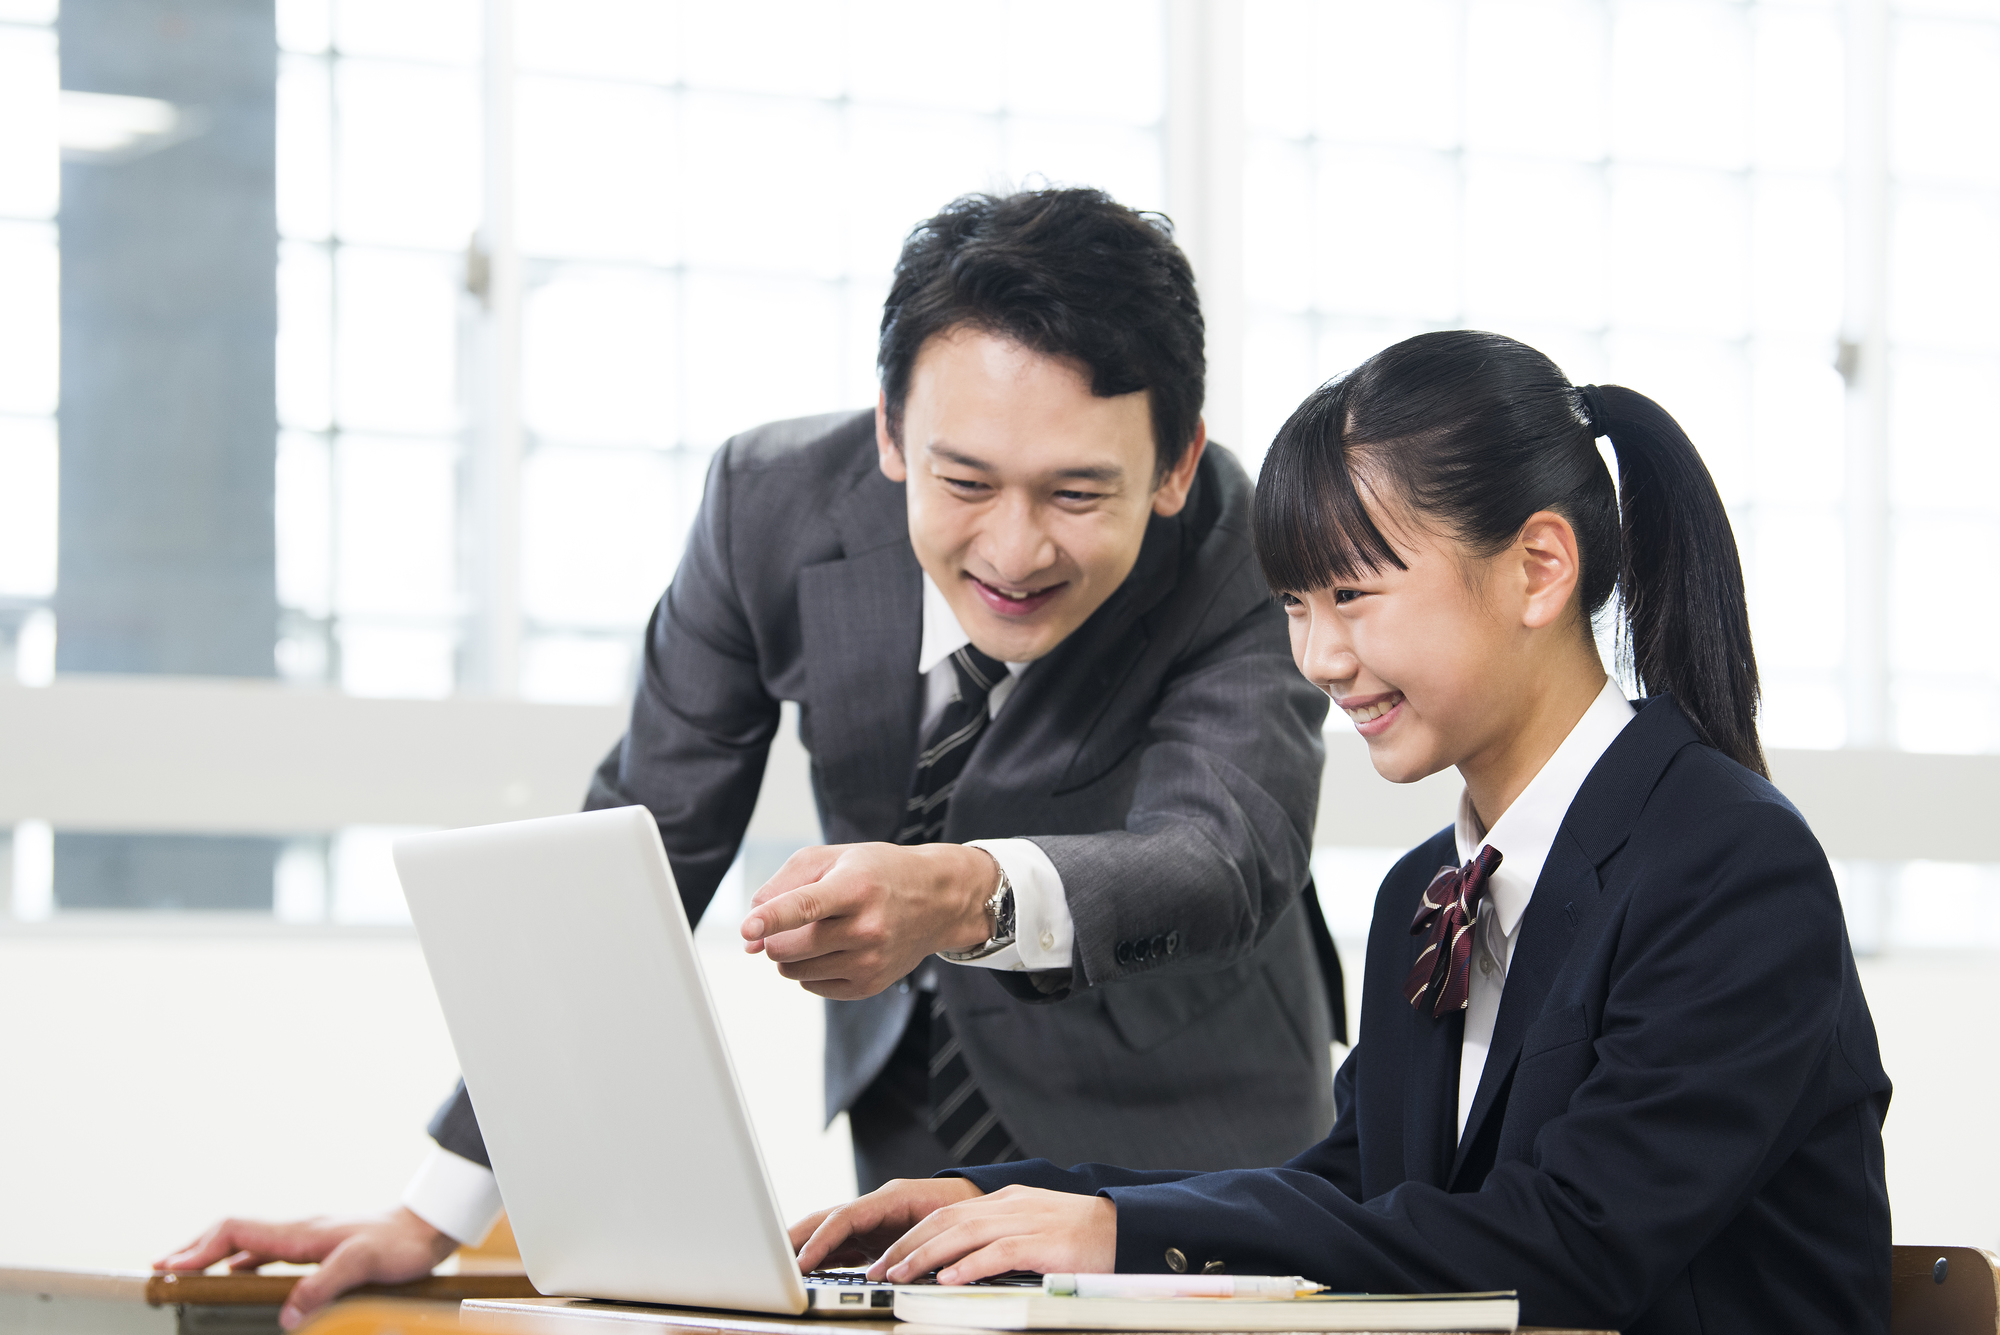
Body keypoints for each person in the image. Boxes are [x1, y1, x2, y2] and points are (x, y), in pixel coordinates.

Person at [157, 188, 1345, 1328]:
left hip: (1192, 1137)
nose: (1015, 548)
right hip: (920, 1124)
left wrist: (960, 892)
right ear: (889, 433)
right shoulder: (766, 506)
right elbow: (641, 849)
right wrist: (438, 1209)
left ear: (1176, 463)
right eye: (964, 482)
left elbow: (1220, 857)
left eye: (1077, 493)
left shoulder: (1238, 550)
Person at [789, 330, 1893, 1335]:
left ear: (1537, 569)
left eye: (1352, 596)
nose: (1315, 659)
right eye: (1292, 606)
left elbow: (1570, 1245)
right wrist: (1029, 1206)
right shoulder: (1433, 884)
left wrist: (1115, 1238)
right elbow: (1353, 1190)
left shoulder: (1726, 865)